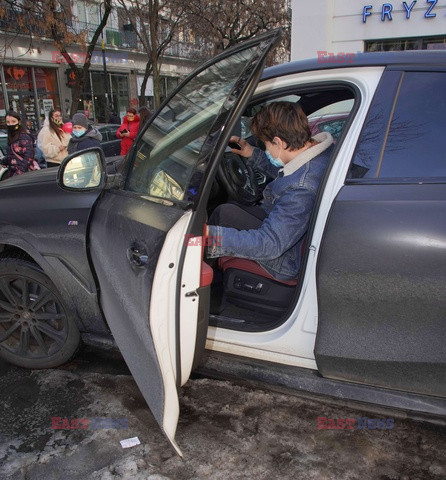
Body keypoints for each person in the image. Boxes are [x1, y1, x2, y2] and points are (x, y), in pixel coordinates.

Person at [206, 101, 334, 281]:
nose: (266, 149)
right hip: (286, 233)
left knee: (216, 223)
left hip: (285, 259)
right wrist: (254, 154)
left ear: (278, 143)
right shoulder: (318, 154)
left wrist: (209, 236)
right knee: (225, 211)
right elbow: (288, 174)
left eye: (266, 145)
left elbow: (270, 245)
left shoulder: (301, 189)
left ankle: (205, 273)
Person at [1, 110, 39, 177]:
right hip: (14, 173)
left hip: (24, 175)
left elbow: (28, 157)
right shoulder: (12, 137)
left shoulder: (24, 136)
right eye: (8, 122)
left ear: (19, 122)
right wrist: (4, 161)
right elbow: (12, 155)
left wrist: (19, 173)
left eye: (13, 121)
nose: (10, 124)